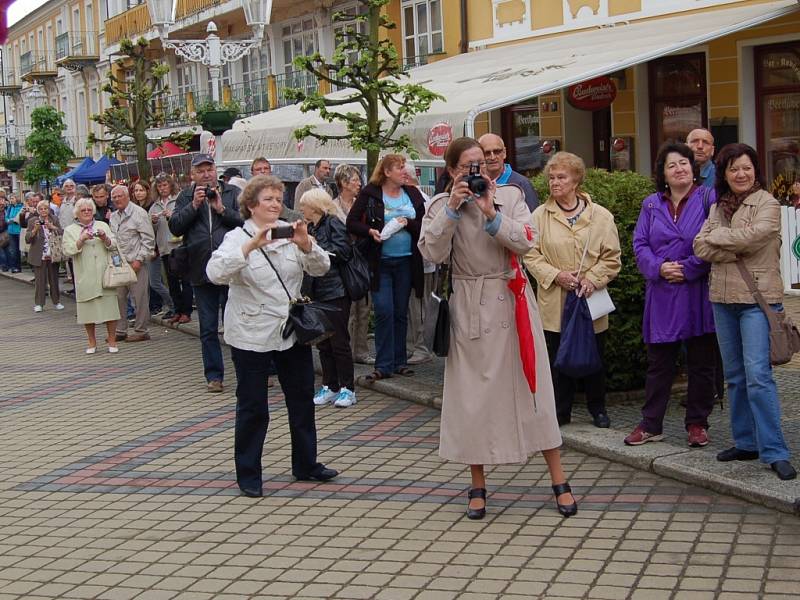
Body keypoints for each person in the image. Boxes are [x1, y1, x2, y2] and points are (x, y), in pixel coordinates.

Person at [419, 137, 576, 520]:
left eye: (484, 163)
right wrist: (454, 208)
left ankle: (559, 479)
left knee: (534, 389)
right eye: (469, 165)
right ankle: (477, 483)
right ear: (453, 170)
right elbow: (431, 252)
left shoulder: (510, 195)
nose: (480, 171)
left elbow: (526, 242)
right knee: (473, 399)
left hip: (513, 300)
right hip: (471, 306)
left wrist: (491, 213)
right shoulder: (441, 205)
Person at [206, 175, 338, 497]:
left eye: (279, 198)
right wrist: (251, 247)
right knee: (253, 406)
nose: (276, 204)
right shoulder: (236, 237)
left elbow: (322, 268)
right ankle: (249, 474)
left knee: (302, 399)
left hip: (291, 330)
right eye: (268, 199)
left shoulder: (291, 231)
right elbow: (215, 273)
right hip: (252, 333)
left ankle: (306, 464)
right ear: (251, 204)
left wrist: (306, 244)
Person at [694, 143, 797, 481]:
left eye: (747, 167)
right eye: (734, 169)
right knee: (735, 378)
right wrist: (726, 242)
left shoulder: (766, 202)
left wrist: (719, 239)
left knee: (759, 378)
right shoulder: (717, 206)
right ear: (724, 174)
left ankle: (775, 451)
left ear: (755, 170)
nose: (741, 174)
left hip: (758, 301)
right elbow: (699, 246)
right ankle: (746, 442)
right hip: (722, 299)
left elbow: (757, 237)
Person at [627, 143, 717, 447]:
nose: (679, 169)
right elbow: (639, 244)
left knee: (701, 363)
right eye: (672, 165)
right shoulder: (651, 205)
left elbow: (716, 240)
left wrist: (690, 268)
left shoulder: (708, 198)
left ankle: (697, 423)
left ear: (693, 169)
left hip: (697, 291)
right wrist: (660, 267)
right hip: (662, 292)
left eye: (684, 163)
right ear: (663, 174)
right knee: (659, 363)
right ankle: (651, 423)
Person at [524, 151, 621, 428]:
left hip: (590, 297)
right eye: (552, 177)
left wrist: (593, 279)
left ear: (576, 180)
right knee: (557, 357)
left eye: (561, 177)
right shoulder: (539, 216)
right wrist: (556, 276)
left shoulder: (600, 216)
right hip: (555, 299)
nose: (555, 182)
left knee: (595, 355)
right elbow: (530, 255)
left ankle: (598, 409)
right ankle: (560, 411)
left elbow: (612, 257)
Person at [169, 154, 243, 393]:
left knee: (235, 324)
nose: (206, 174)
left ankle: (244, 372)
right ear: (193, 175)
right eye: (200, 171)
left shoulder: (231, 192)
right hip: (201, 269)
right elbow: (175, 226)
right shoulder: (185, 196)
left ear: (216, 170)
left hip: (230, 269)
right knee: (208, 327)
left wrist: (221, 209)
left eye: (209, 169)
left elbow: (244, 222)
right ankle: (214, 376)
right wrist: (194, 206)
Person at [347, 154, 425, 381]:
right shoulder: (371, 193)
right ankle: (383, 364)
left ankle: (399, 361)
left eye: (405, 168)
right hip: (380, 263)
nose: (405, 171)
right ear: (387, 172)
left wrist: (407, 223)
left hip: (407, 261)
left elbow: (425, 224)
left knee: (400, 312)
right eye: (400, 168)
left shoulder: (412, 193)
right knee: (384, 311)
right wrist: (370, 231)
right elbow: (352, 222)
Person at [299, 189, 357, 408]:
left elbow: (344, 252)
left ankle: (348, 388)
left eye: (304, 205)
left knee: (339, 341)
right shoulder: (311, 227)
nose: (301, 209)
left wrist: (316, 247)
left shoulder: (333, 223)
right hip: (317, 291)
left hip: (336, 290)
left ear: (315, 205)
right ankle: (330, 385)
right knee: (323, 342)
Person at [62, 198, 121, 354]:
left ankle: (112, 340)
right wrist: (81, 240)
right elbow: (67, 251)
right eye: (83, 210)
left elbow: (114, 245)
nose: (87, 212)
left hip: (104, 273)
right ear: (77, 213)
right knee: (87, 310)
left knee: (110, 308)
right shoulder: (70, 230)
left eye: (89, 209)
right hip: (84, 274)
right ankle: (91, 342)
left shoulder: (102, 225)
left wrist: (104, 238)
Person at [332, 164, 372, 365]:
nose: (359, 183)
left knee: (364, 307)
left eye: (358, 179)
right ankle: (345, 351)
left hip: (361, 260)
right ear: (343, 183)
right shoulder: (332, 206)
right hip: (343, 264)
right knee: (347, 311)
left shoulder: (362, 205)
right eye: (355, 180)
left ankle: (362, 351)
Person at [109, 185, 156, 343]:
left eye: (119, 196)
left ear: (127, 196)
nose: (116, 199)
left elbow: (148, 240)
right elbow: (113, 241)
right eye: (114, 197)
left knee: (140, 298)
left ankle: (141, 330)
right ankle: (120, 330)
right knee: (119, 298)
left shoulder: (139, 213)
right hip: (119, 263)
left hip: (136, 262)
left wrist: (139, 259)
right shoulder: (114, 216)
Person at [404, 161, 435, 366]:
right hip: (412, 262)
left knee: (420, 307)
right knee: (413, 307)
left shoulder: (420, 199)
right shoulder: (407, 197)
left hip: (423, 262)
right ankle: (412, 346)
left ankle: (422, 347)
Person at [152, 173, 192, 324]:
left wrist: (172, 215)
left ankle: (186, 312)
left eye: (165, 185)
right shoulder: (155, 204)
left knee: (186, 280)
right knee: (172, 282)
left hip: (180, 245)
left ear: (171, 185)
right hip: (164, 247)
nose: (162, 188)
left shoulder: (179, 199)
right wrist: (154, 221)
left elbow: (185, 218)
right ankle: (177, 309)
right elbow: (152, 228)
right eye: (159, 186)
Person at [478, 133, 540, 212]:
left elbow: (532, 220)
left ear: (504, 153)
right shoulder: (474, 183)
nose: (492, 157)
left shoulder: (522, 184)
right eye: (487, 153)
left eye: (497, 151)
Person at [26, 200, 64, 312]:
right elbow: (28, 239)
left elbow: (62, 233)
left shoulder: (54, 219)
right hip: (39, 255)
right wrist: (35, 230)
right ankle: (39, 303)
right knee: (40, 281)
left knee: (54, 279)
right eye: (41, 209)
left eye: (45, 208)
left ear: (49, 209)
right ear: (38, 210)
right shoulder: (33, 220)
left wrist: (52, 227)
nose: (43, 211)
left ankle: (56, 301)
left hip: (52, 254)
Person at [4, 194, 23, 273]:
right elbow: (6, 217)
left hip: (18, 230)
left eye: (12, 198)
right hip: (11, 231)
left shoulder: (21, 207)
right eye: (10, 199)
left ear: (17, 199)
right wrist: (8, 220)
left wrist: (15, 220)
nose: (11, 200)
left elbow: (20, 217)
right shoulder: (9, 207)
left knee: (19, 249)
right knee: (13, 250)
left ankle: (18, 267)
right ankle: (14, 267)